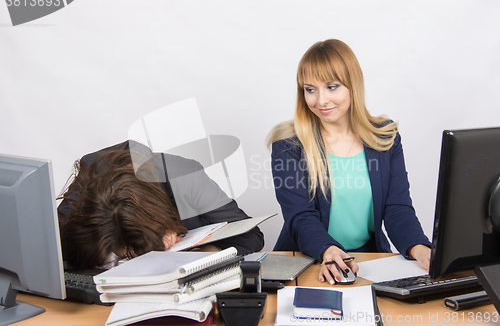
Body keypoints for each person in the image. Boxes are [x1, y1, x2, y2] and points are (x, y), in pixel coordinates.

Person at [267, 39, 431, 285]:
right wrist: (329, 251)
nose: (321, 100)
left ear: (353, 85)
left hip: (368, 260)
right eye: (310, 89)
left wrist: (420, 249)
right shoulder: (289, 144)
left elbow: (397, 208)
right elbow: (300, 216)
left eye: (332, 87)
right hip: (307, 260)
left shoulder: (385, 137)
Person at [58, 140, 264, 270]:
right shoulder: (88, 180)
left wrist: (202, 255)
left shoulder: (184, 176)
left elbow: (250, 235)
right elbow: (56, 250)